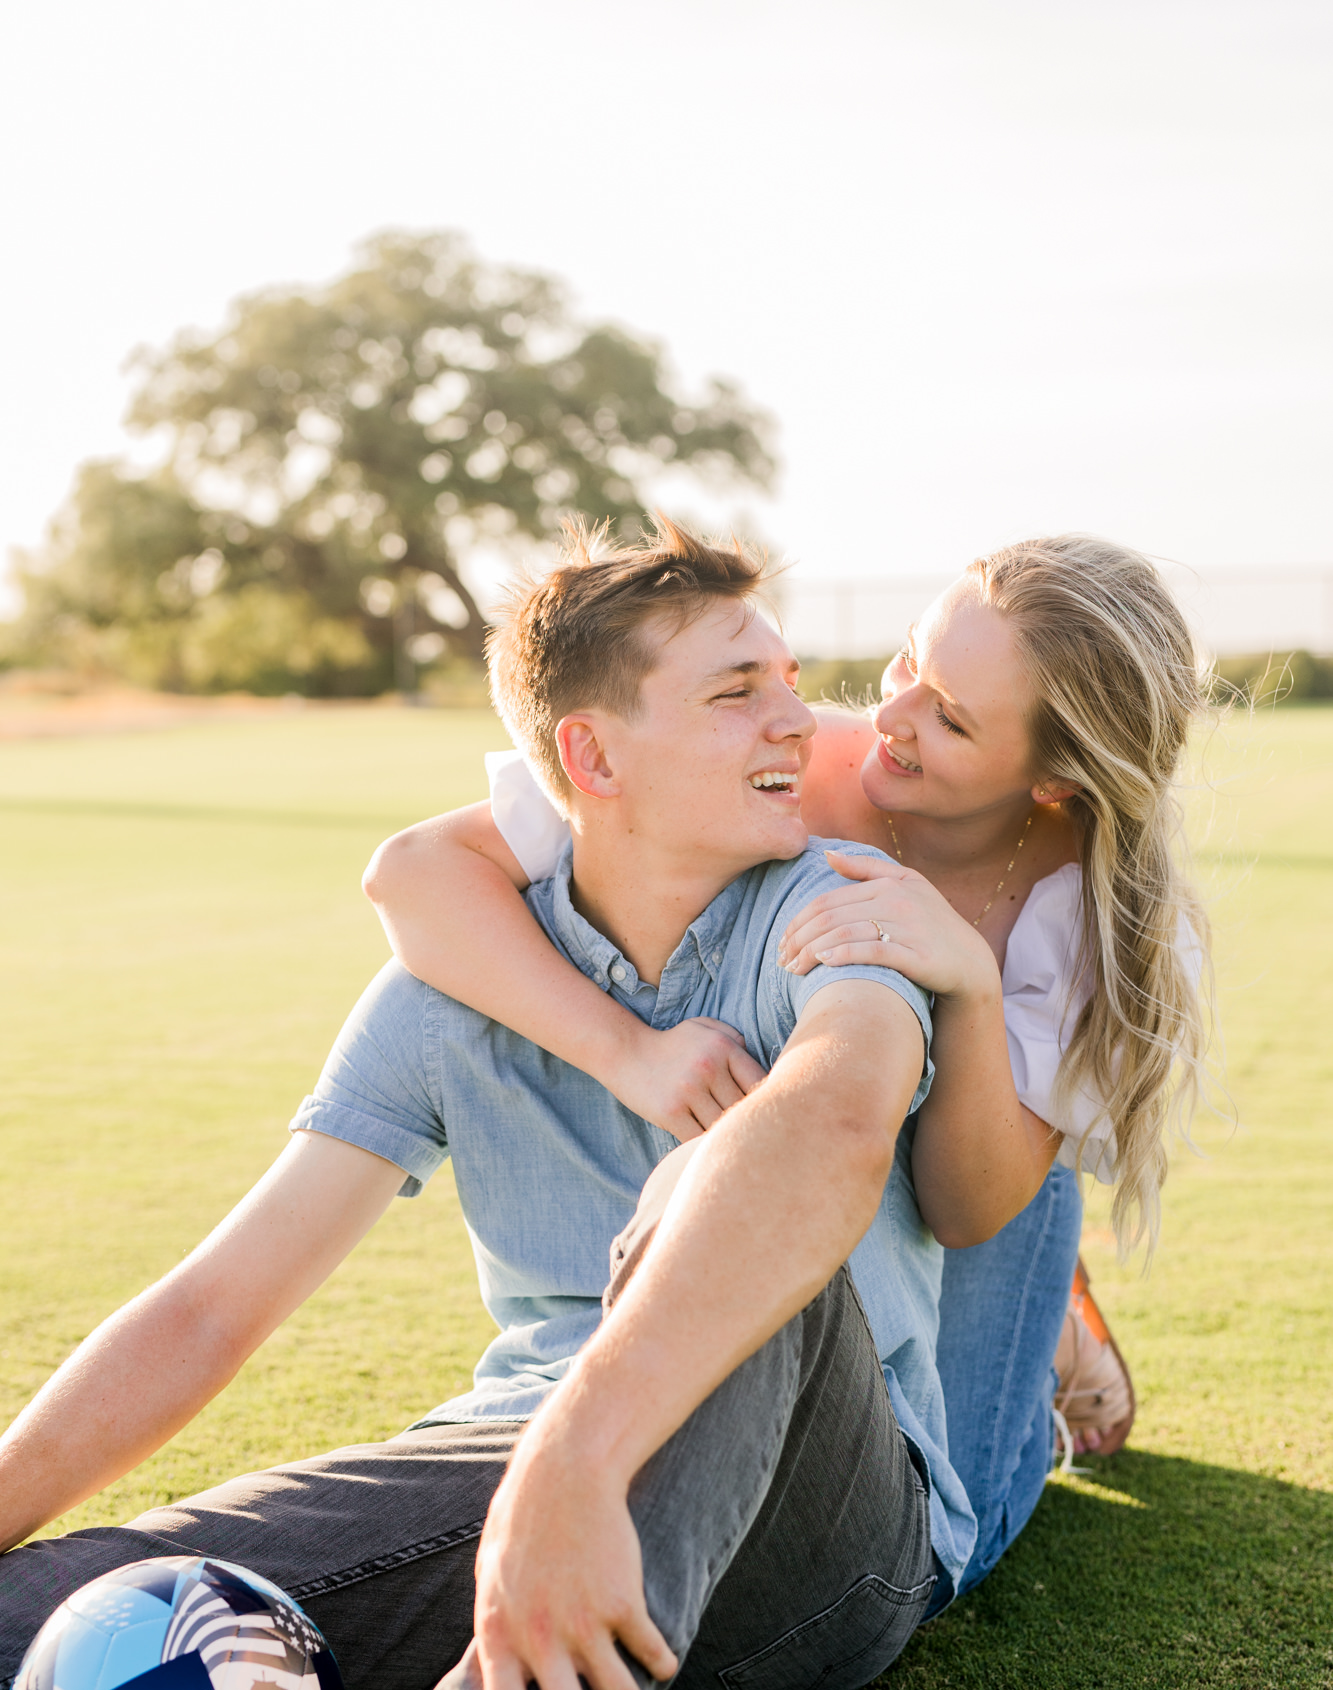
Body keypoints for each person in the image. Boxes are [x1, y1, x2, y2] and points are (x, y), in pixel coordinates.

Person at [0, 523, 1037, 1690]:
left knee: (726, 1211)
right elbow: (219, 1300)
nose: (802, 723)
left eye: (788, 680)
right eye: (739, 691)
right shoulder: (458, 982)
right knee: (84, 1606)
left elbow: (833, 1117)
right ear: (591, 759)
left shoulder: (839, 905)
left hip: (824, 1557)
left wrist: (578, 1459)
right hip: (510, 1469)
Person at [365, 533, 1213, 1595]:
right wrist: (630, 1053)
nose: (888, 717)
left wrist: (971, 985)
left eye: (948, 718)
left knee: (966, 1529)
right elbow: (413, 873)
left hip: (982, 1179)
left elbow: (964, 1208)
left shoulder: (1087, 914)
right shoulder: (786, 761)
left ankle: (1047, 1359)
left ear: (1049, 780)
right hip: (793, 1138)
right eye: (909, 663)